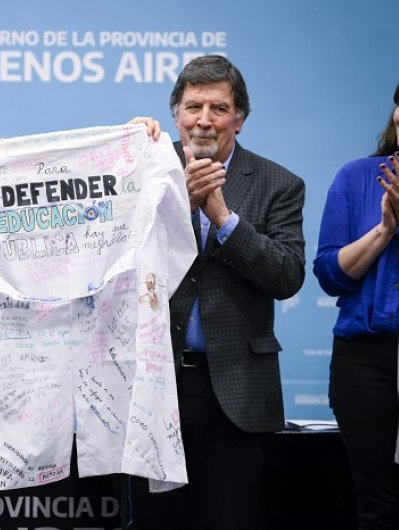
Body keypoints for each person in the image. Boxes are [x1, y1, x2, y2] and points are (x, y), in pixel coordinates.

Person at [121, 55, 306, 529]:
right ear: (176, 116)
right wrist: (176, 204)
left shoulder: (279, 184)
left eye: (219, 108)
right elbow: (114, 264)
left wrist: (224, 219)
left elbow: (287, 276)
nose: (204, 120)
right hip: (154, 388)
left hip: (236, 394)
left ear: (238, 120)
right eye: (193, 107)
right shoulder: (141, 173)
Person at [313, 82, 399, 529]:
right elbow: (330, 276)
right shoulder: (356, 177)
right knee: (377, 503)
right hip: (365, 360)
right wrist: (384, 230)